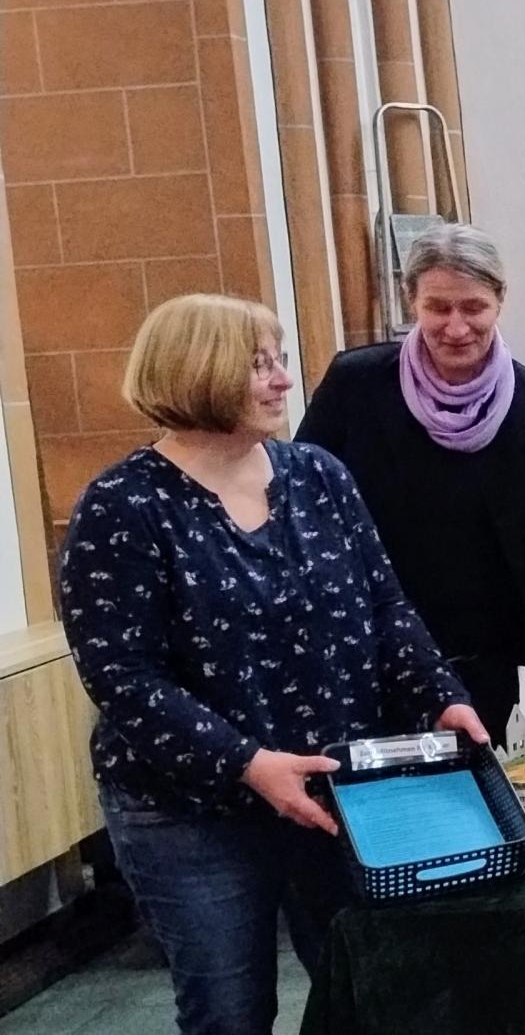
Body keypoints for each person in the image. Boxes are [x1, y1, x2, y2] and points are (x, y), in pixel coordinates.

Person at [59, 294, 487, 1035]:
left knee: (374, 994)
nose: (283, 380)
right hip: (191, 809)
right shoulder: (123, 505)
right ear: (199, 372)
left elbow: (384, 607)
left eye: (279, 359)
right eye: (260, 364)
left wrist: (440, 695)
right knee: (231, 1012)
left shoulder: (317, 475)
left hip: (333, 788)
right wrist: (248, 763)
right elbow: (123, 676)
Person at [296, 224, 525, 739]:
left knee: (496, 806)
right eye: (438, 308)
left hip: (496, 652)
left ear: (499, 301)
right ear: (412, 301)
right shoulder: (356, 383)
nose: (455, 327)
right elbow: (300, 499)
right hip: (376, 644)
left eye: (473, 308)